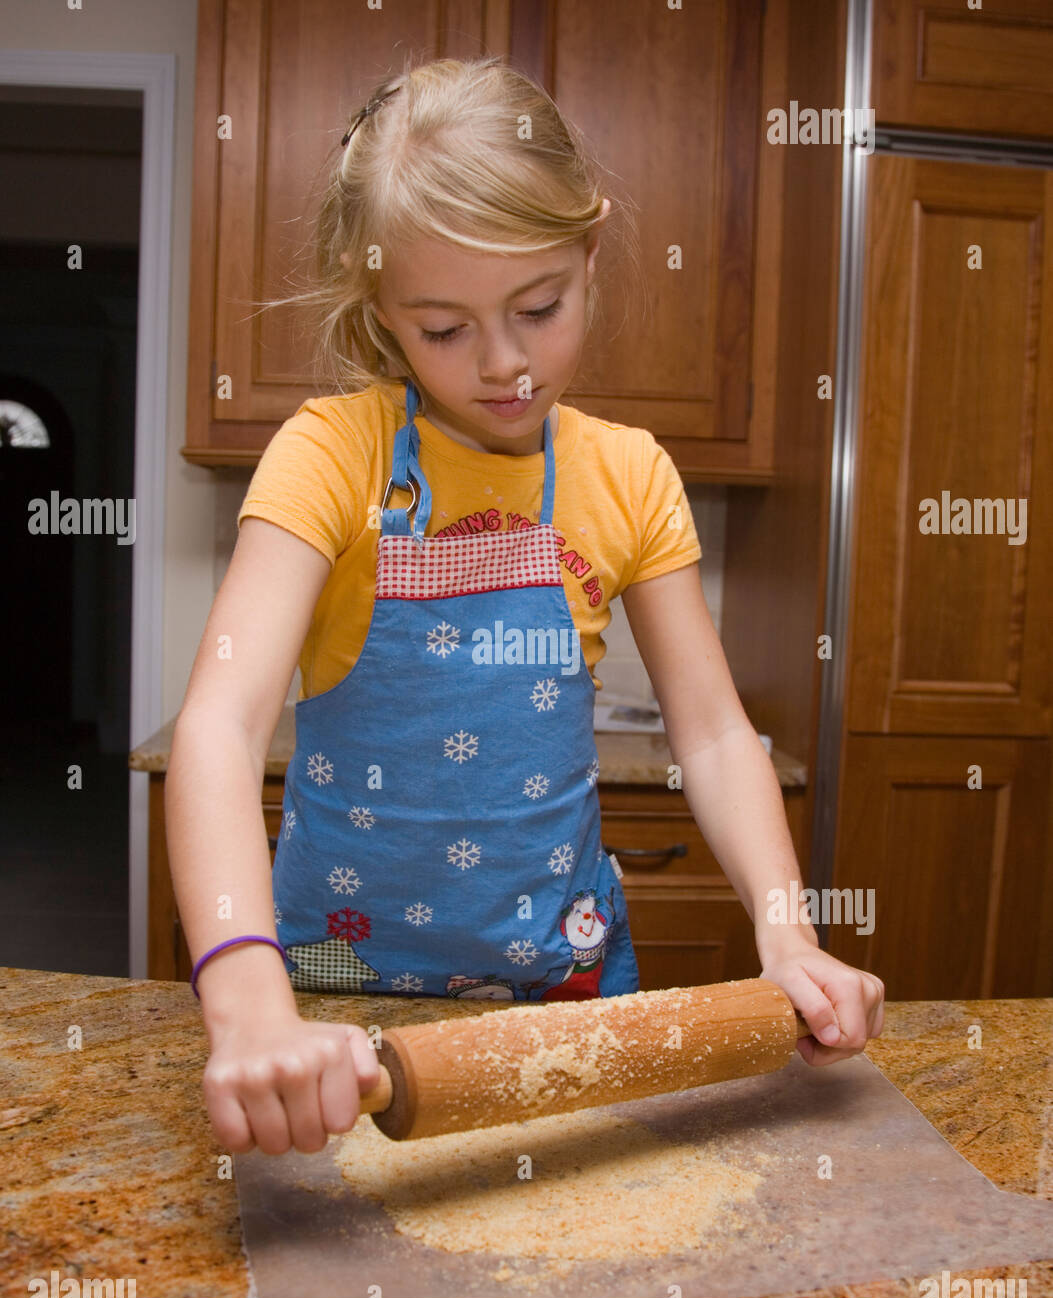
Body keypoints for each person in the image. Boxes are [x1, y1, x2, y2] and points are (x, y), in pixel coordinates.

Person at [166, 56, 883, 1158]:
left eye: (539, 308)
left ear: (589, 253)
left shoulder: (629, 474)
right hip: (337, 1005)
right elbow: (218, 724)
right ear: (383, 313)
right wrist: (247, 994)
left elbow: (713, 731)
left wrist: (786, 935)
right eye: (444, 329)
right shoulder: (330, 456)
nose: (504, 364)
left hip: (564, 980)